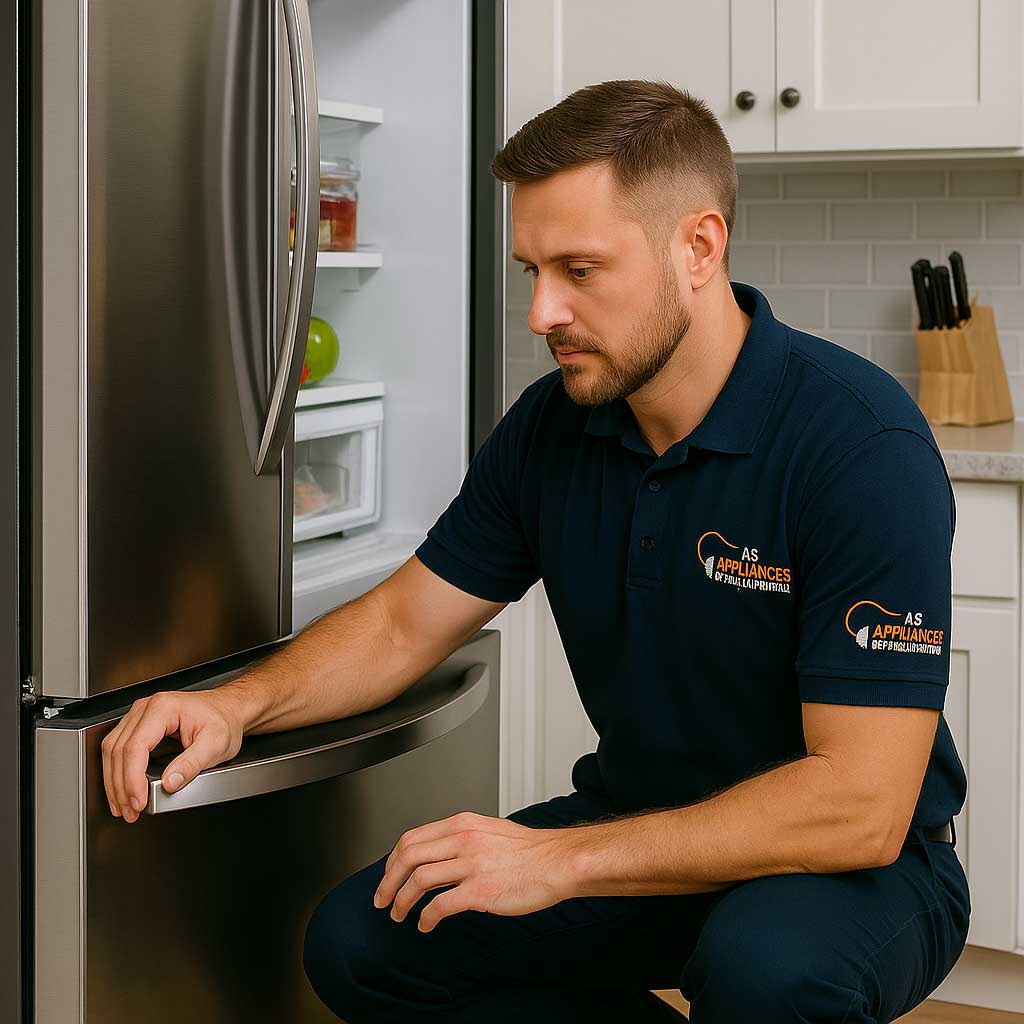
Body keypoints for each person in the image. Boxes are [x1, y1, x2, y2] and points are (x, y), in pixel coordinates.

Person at [100, 79, 970, 1023]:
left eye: (581, 270)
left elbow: (860, 807)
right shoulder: (553, 429)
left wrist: (555, 860)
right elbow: (400, 626)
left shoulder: (859, 446)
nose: (541, 313)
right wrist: (235, 704)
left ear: (699, 248)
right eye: (532, 272)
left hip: (858, 866)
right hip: (641, 830)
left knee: (762, 974)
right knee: (366, 942)